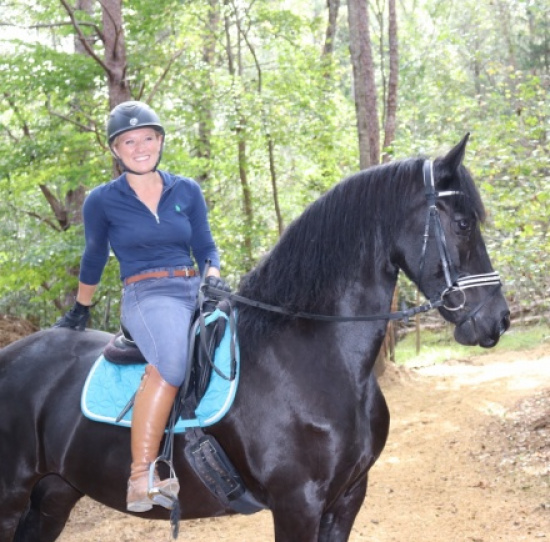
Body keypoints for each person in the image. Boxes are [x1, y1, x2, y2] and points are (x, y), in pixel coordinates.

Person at [54, 100, 229, 512]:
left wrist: (213, 276)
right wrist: (81, 308)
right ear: (116, 150)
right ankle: (140, 477)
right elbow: (94, 257)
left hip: (194, 287)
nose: (140, 148)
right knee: (171, 363)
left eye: (147, 138)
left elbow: (205, 246)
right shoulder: (101, 200)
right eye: (128, 141)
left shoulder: (187, 190)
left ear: (160, 141)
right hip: (146, 293)